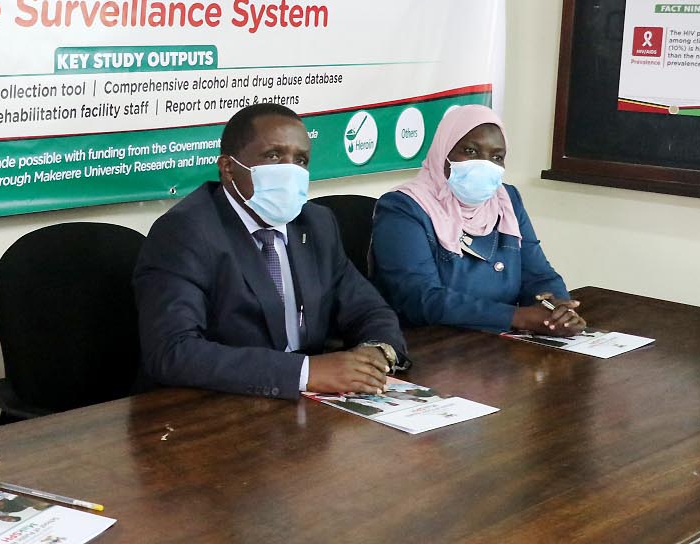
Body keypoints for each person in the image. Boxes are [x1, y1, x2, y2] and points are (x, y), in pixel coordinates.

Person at [133, 103, 409, 400]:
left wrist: (377, 352)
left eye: (300, 160)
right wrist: (305, 373)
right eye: (274, 156)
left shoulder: (316, 223)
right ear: (228, 168)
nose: (289, 171)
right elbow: (173, 351)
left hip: (304, 408)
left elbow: (368, 309)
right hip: (212, 407)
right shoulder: (185, 232)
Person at [370, 104, 585, 334]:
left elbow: (539, 274)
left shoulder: (506, 200)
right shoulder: (403, 208)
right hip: (428, 346)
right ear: (444, 152)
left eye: (496, 157)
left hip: (494, 344)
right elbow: (420, 298)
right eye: (471, 151)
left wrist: (558, 307)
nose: (485, 164)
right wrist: (516, 317)